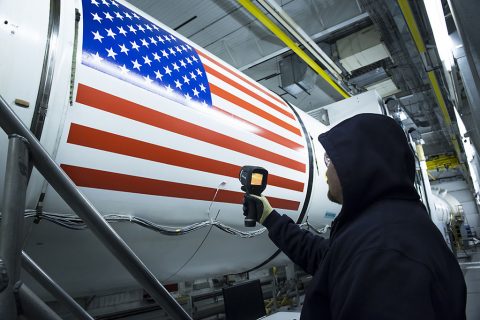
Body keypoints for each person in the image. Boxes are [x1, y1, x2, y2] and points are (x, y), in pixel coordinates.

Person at [243, 113, 466, 320]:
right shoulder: (384, 225)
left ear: (355, 165)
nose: (326, 173)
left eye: (330, 161)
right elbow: (326, 257)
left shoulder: (384, 252)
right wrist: (269, 217)